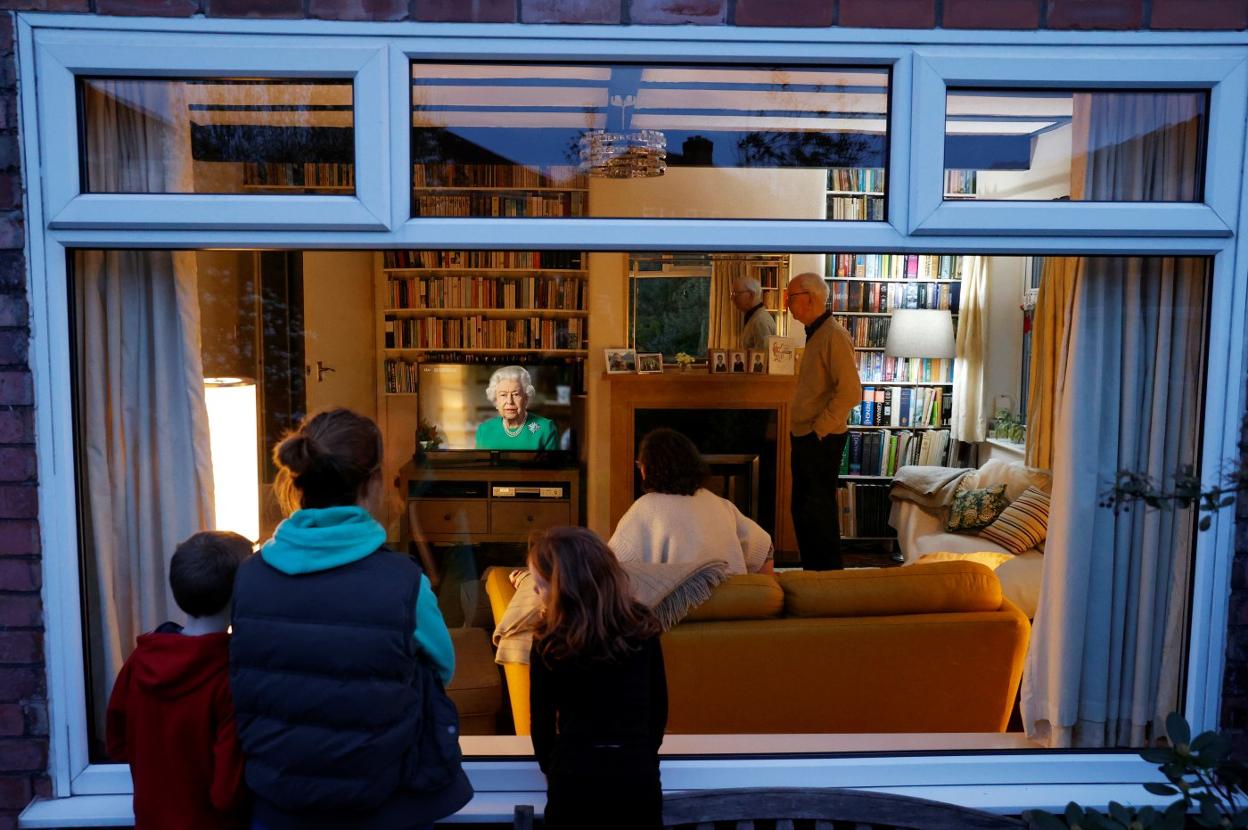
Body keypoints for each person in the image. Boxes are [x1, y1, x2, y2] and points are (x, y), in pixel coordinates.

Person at [229, 408, 472, 830]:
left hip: (277, 807)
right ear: (372, 482)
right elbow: (443, 669)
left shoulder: (248, 579)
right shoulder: (404, 584)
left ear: (297, 479)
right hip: (383, 804)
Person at [106, 530, 252, 830]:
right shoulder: (229, 675)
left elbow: (117, 743)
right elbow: (227, 793)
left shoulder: (141, 659)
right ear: (241, 594)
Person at [528, 526, 667, 830]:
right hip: (635, 772)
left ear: (565, 587)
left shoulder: (548, 640)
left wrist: (554, 768)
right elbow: (658, 709)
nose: (534, 592)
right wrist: (643, 755)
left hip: (575, 774)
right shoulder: (641, 628)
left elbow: (541, 724)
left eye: (540, 584)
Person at [609, 427, 773, 575]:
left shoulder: (644, 508)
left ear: (645, 468)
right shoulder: (721, 504)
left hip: (680, 606)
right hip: (730, 602)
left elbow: (612, 564)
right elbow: (765, 549)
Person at [784, 272, 863, 570]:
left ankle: (827, 580)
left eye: (791, 297)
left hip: (820, 438)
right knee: (805, 511)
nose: (788, 304)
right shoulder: (818, 333)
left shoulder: (833, 335)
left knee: (817, 512)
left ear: (811, 298)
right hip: (808, 435)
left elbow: (851, 392)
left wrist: (819, 429)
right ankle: (813, 576)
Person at [475, 365, 560, 450]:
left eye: (516, 394)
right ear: (496, 400)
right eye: (503, 395)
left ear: (526, 398)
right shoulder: (484, 431)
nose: (509, 401)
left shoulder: (546, 429)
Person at [731, 275, 776, 350]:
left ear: (751, 295)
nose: (732, 298)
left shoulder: (760, 321)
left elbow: (763, 357)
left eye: (736, 294)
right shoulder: (754, 317)